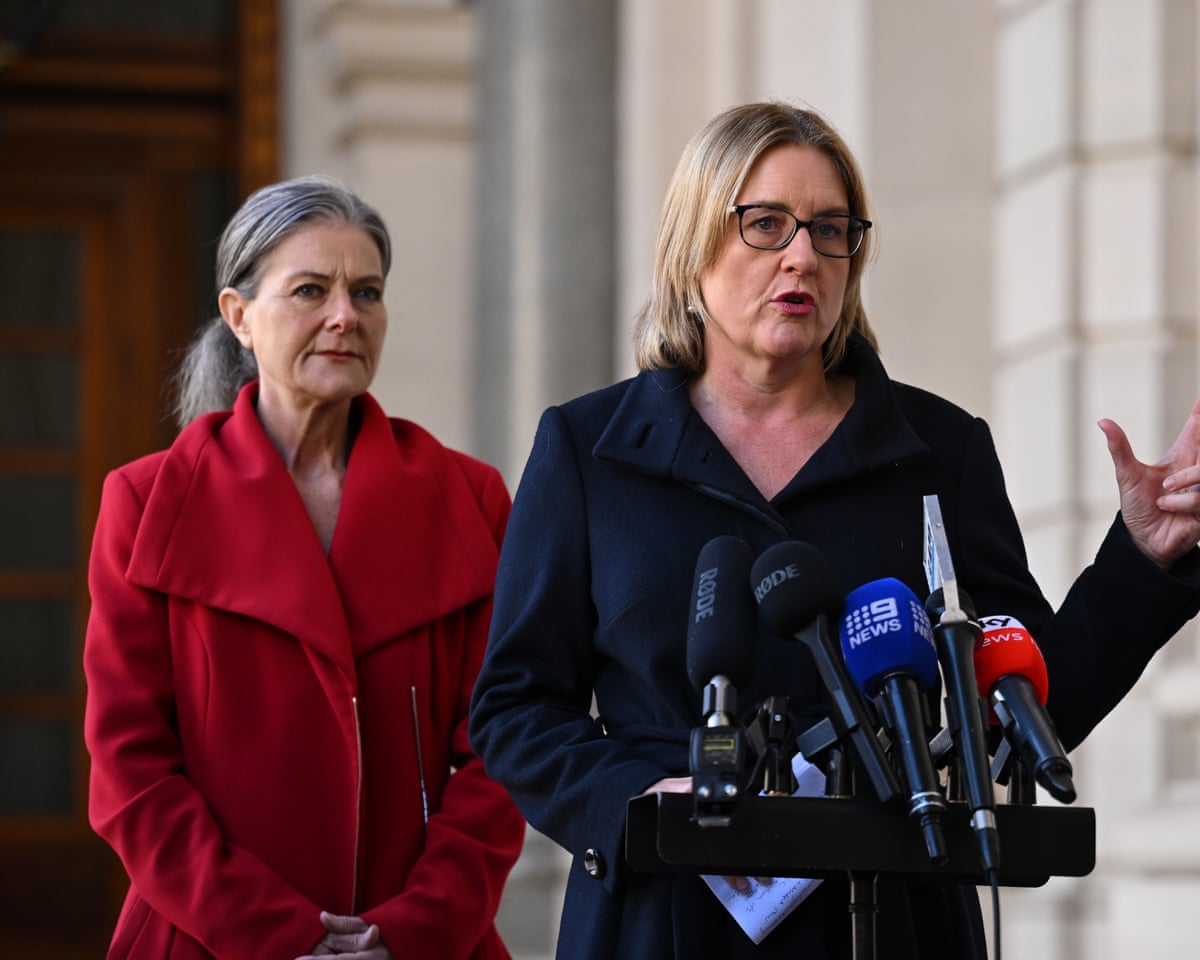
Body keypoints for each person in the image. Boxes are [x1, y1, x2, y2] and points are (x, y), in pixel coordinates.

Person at [467, 101, 1200, 959]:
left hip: (891, 912)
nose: (803, 256)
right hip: (666, 911)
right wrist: (636, 799)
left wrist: (1142, 559)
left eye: (830, 229)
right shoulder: (589, 449)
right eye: (765, 224)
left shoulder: (939, 450)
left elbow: (1028, 699)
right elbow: (517, 706)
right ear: (694, 245)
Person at [84, 175, 526, 960]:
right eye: (311, 290)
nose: (345, 315)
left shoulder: (470, 498)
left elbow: (501, 746)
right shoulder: (146, 502)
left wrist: (418, 926)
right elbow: (130, 767)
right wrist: (276, 935)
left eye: (367, 292)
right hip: (209, 936)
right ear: (239, 316)